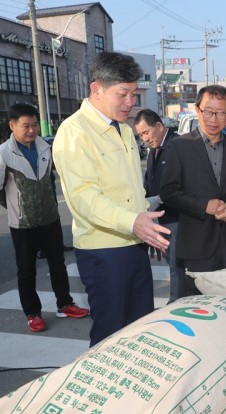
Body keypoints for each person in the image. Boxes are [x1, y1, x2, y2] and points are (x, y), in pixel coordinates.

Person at [52, 52, 170, 347]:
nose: (130, 102)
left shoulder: (124, 130)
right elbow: (83, 197)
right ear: (97, 89)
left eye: (133, 93)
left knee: (139, 328)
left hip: (134, 244)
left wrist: (144, 225)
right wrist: (133, 222)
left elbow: (131, 188)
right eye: (123, 94)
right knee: (109, 335)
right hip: (103, 250)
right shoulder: (75, 131)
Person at [0, 103, 89, 332]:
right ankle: (32, 313)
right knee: (26, 270)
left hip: (50, 220)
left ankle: (65, 304)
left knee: (58, 264)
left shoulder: (45, 148)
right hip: (23, 225)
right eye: (26, 126)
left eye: (34, 125)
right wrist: (16, 208)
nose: (32, 130)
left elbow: (51, 182)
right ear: (12, 125)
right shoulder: (1, 153)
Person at [160, 85, 226, 296]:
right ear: (198, 110)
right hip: (197, 246)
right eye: (209, 111)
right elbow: (169, 191)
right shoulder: (180, 147)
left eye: (221, 113)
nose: (214, 119)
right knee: (199, 312)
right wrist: (204, 206)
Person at [133, 109, 186, 303]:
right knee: (171, 261)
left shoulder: (179, 145)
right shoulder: (153, 150)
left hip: (179, 217)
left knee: (176, 264)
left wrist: (160, 198)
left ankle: (177, 303)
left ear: (159, 126)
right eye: (140, 135)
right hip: (162, 218)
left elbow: (186, 182)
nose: (145, 138)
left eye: (146, 132)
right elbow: (150, 182)